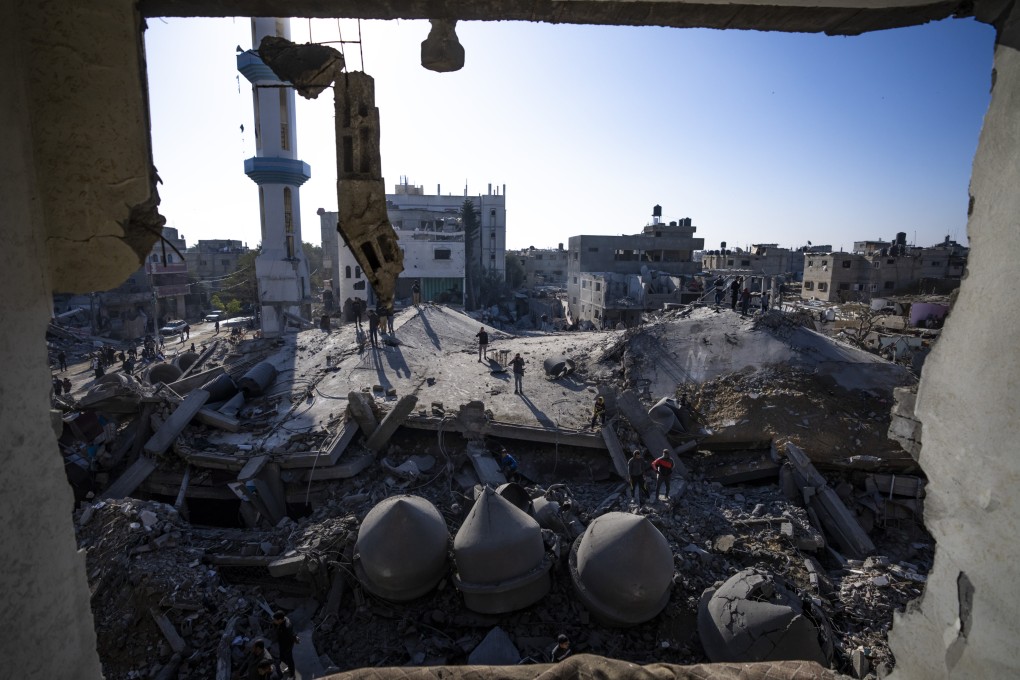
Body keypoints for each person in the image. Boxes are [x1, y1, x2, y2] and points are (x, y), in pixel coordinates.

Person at [272, 610, 299, 678]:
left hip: (287, 646)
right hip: (282, 644)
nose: (273, 621)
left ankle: (292, 674)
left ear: (280, 620)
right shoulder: (284, 619)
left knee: (289, 659)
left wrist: (295, 639)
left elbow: (292, 636)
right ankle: (289, 667)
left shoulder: (286, 627)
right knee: (282, 658)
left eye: (275, 620)